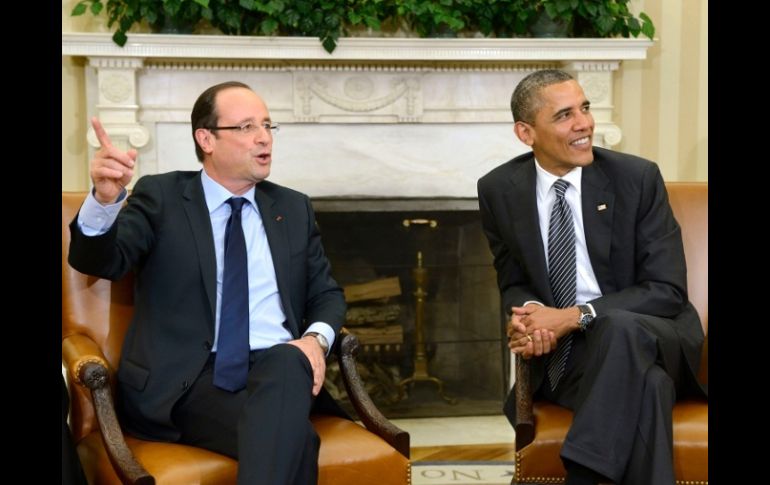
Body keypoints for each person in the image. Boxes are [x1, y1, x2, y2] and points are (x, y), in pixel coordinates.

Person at [68, 81, 347, 484]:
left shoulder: (292, 207)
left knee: (289, 359)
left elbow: (327, 294)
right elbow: (101, 261)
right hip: (190, 380)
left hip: (280, 369)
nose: (263, 138)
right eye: (247, 127)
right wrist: (104, 200)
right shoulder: (162, 196)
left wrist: (314, 341)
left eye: (268, 126)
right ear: (206, 138)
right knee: (294, 439)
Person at [477, 69, 705, 485]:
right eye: (564, 115)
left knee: (619, 327)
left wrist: (571, 316)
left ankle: (582, 472)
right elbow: (512, 278)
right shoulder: (499, 190)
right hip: (575, 357)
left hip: (659, 337)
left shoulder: (636, 179)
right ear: (526, 133)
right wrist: (529, 316)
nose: (584, 123)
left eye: (584, 108)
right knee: (650, 389)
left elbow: (667, 291)